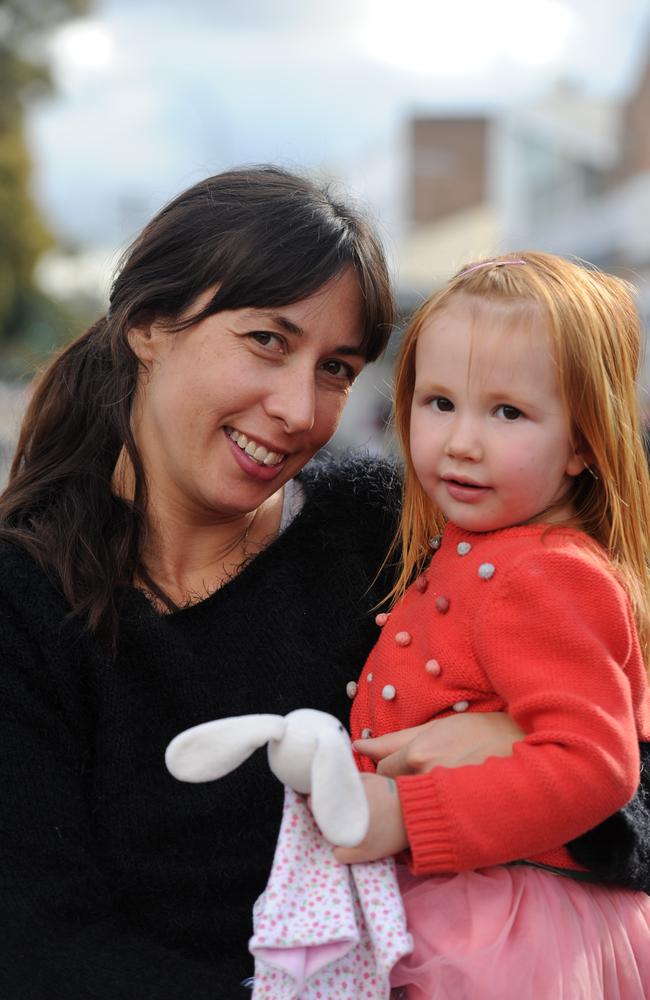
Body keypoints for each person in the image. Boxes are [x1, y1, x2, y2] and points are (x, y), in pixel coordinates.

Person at [0, 165, 525, 1000]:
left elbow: (626, 787)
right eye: (268, 341)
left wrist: (527, 762)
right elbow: (41, 949)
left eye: (338, 369)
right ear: (148, 324)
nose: (299, 410)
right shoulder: (24, 601)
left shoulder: (387, 531)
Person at [337, 252, 650, 998]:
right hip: (470, 902)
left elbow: (597, 765)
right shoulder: (486, 547)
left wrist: (409, 818)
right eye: (439, 402)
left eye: (507, 412)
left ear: (582, 442)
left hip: (509, 927)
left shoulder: (545, 573)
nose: (462, 441)